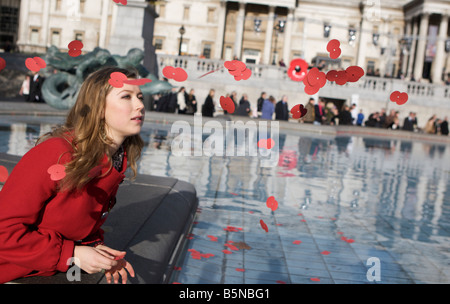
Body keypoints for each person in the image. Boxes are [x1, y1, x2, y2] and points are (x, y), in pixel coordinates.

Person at [0, 66, 142, 284]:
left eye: (140, 97)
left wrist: (97, 251)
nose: (140, 105)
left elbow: (78, 224)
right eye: (127, 97)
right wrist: (71, 254)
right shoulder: (56, 152)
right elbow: (3, 232)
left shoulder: (113, 161)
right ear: (99, 108)